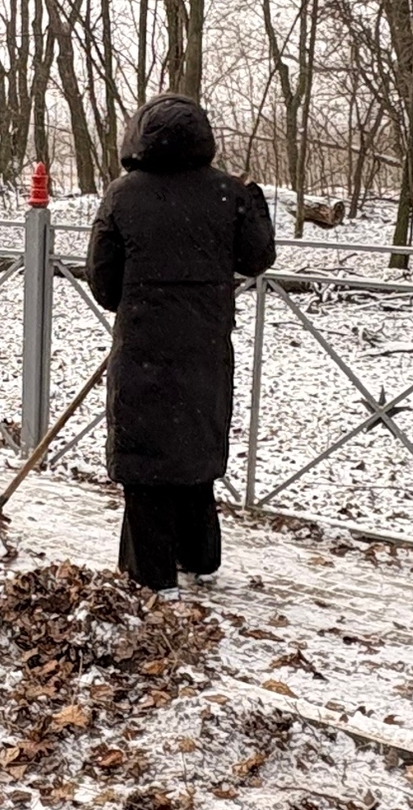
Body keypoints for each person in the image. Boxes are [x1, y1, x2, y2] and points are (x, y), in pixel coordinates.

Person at [86, 95, 275, 594]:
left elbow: (104, 287)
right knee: (193, 447)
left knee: (148, 458)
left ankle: (152, 574)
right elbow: (257, 260)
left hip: (145, 346)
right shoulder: (227, 194)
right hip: (205, 349)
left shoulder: (123, 196)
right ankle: (199, 555)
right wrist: (254, 202)